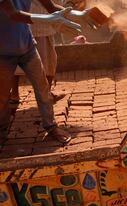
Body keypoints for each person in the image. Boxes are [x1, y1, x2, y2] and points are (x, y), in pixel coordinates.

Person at [0, 0, 92, 147]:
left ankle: (51, 126)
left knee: (42, 87)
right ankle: (2, 133)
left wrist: (80, 15)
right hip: (3, 52)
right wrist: (49, 19)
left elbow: (51, 7)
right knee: (2, 96)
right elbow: (13, 14)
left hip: (27, 46)